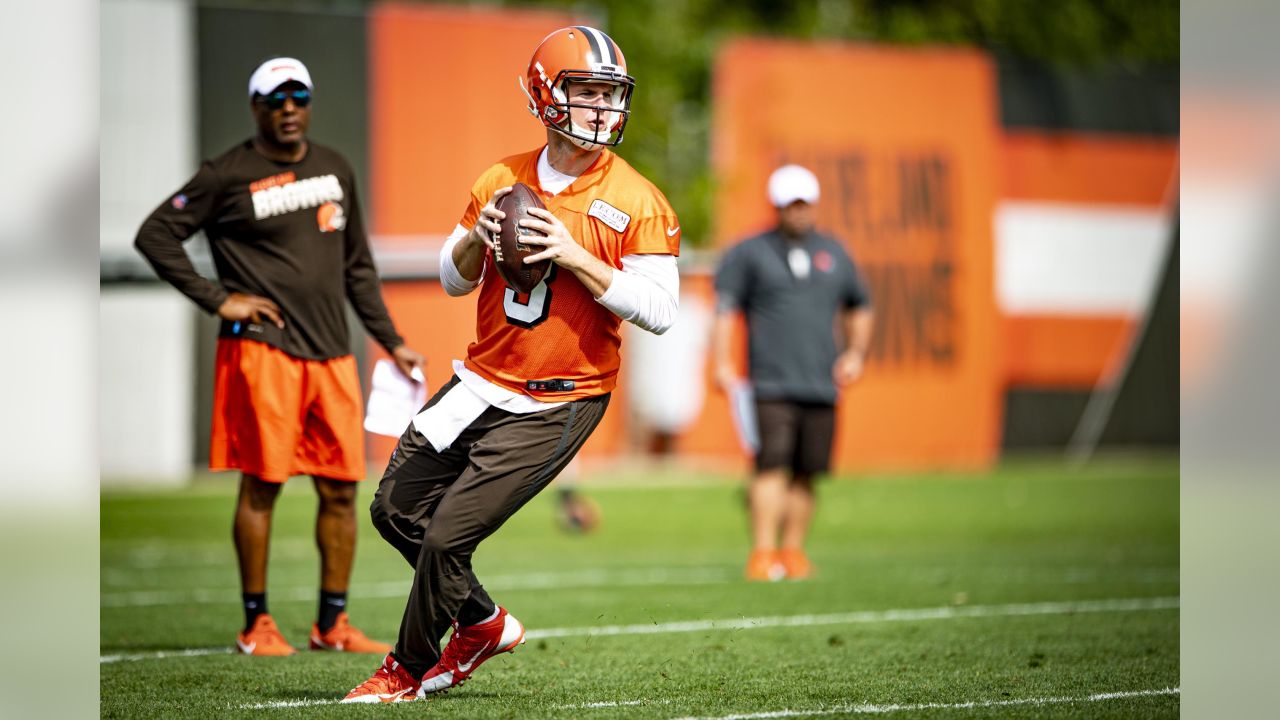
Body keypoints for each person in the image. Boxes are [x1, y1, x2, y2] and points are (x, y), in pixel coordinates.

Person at [341, 26, 681, 703]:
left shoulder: (638, 200)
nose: (602, 109)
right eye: (586, 92)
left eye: (610, 94)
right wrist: (477, 237)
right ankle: (482, 623)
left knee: (444, 537)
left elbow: (661, 310)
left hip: (562, 395)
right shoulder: (503, 178)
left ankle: (404, 669)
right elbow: (452, 278)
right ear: (544, 94)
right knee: (392, 510)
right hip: (483, 379)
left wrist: (575, 254)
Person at [135, 57, 425, 656]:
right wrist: (220, 300)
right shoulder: (227, 173)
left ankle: (332, 625)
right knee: (263, 486)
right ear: (256, 107)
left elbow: (358, 271)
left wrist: (391, 341)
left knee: (343, 490)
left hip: (332, 357)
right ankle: (255, 625)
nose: (289, 108)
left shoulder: (335, 168)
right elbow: (155, 234)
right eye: (275, 99)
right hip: (264, 354)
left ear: (309, 103)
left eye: (299, 96)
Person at [712, 164, 874, 582]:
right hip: (769, 382)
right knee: (770, 466)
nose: (797, 212)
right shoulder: (750, 251)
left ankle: (794, 552)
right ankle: (763, 553)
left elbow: (859, 304)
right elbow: (726, 309)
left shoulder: (835, 252)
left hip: (821, 382)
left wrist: (855, 352)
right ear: (777, 206)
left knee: (807, 471)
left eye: (804, 203)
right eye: (790, 204)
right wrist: (723, 362)